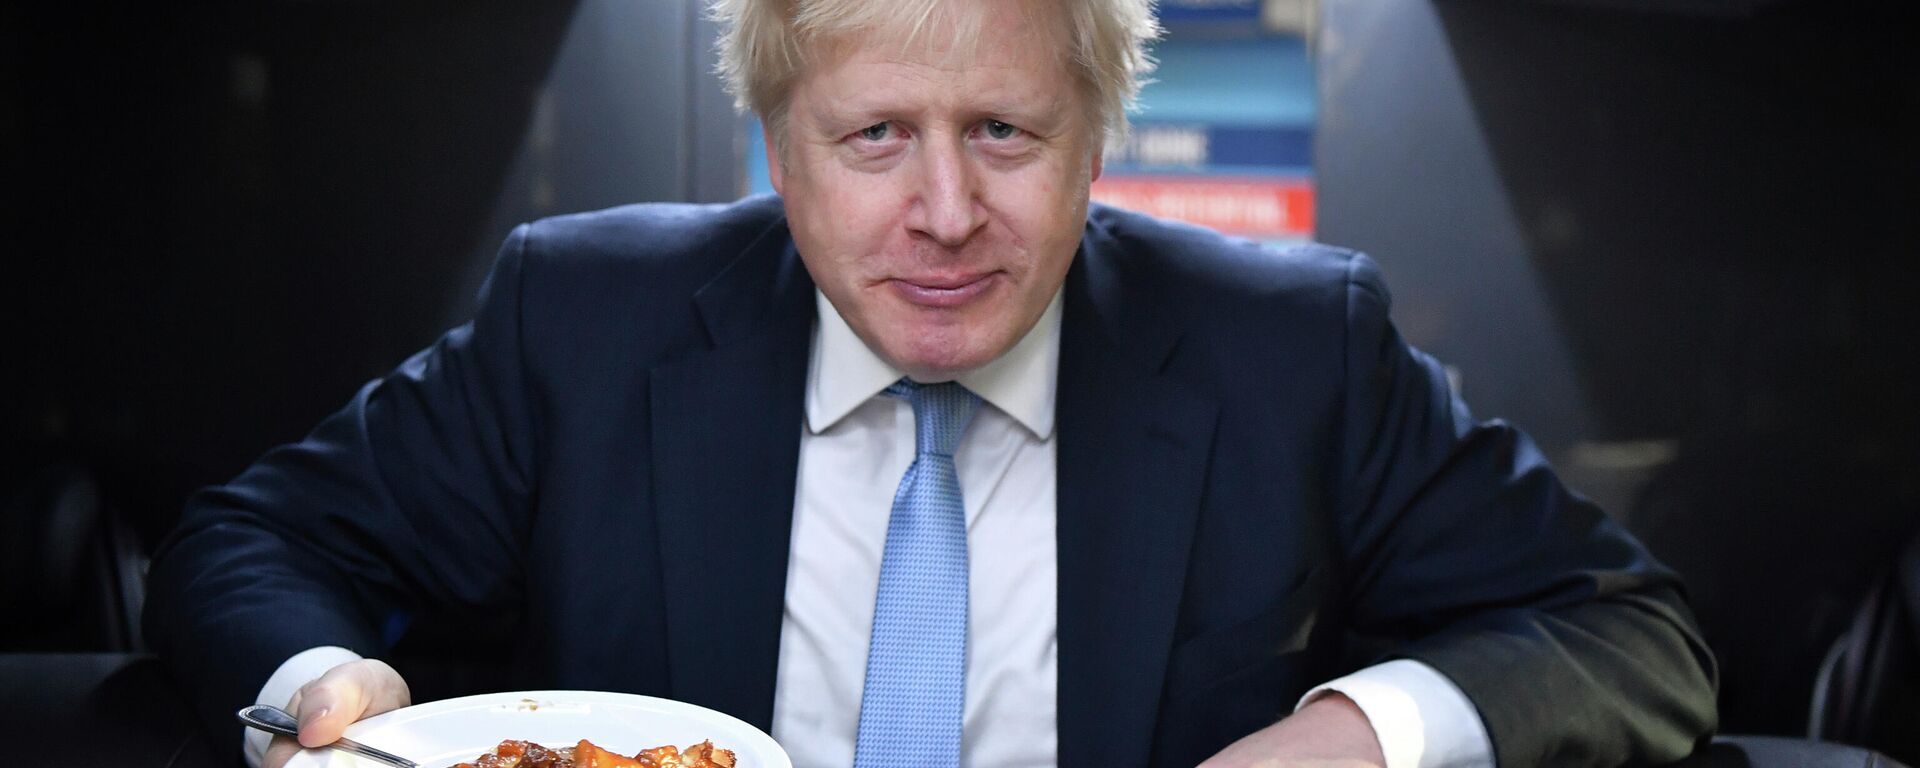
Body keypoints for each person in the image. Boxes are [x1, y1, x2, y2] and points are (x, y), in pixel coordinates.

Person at [144, 0, 1718, 766]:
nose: (948, 214)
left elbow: (1633, 634)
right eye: (877, 136)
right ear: (781, 153)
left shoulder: (1294, 344)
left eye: (1007, 136)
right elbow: (244, 544)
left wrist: (1365, 736)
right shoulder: (589, 314)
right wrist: (330, 698)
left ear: (1096, 143)